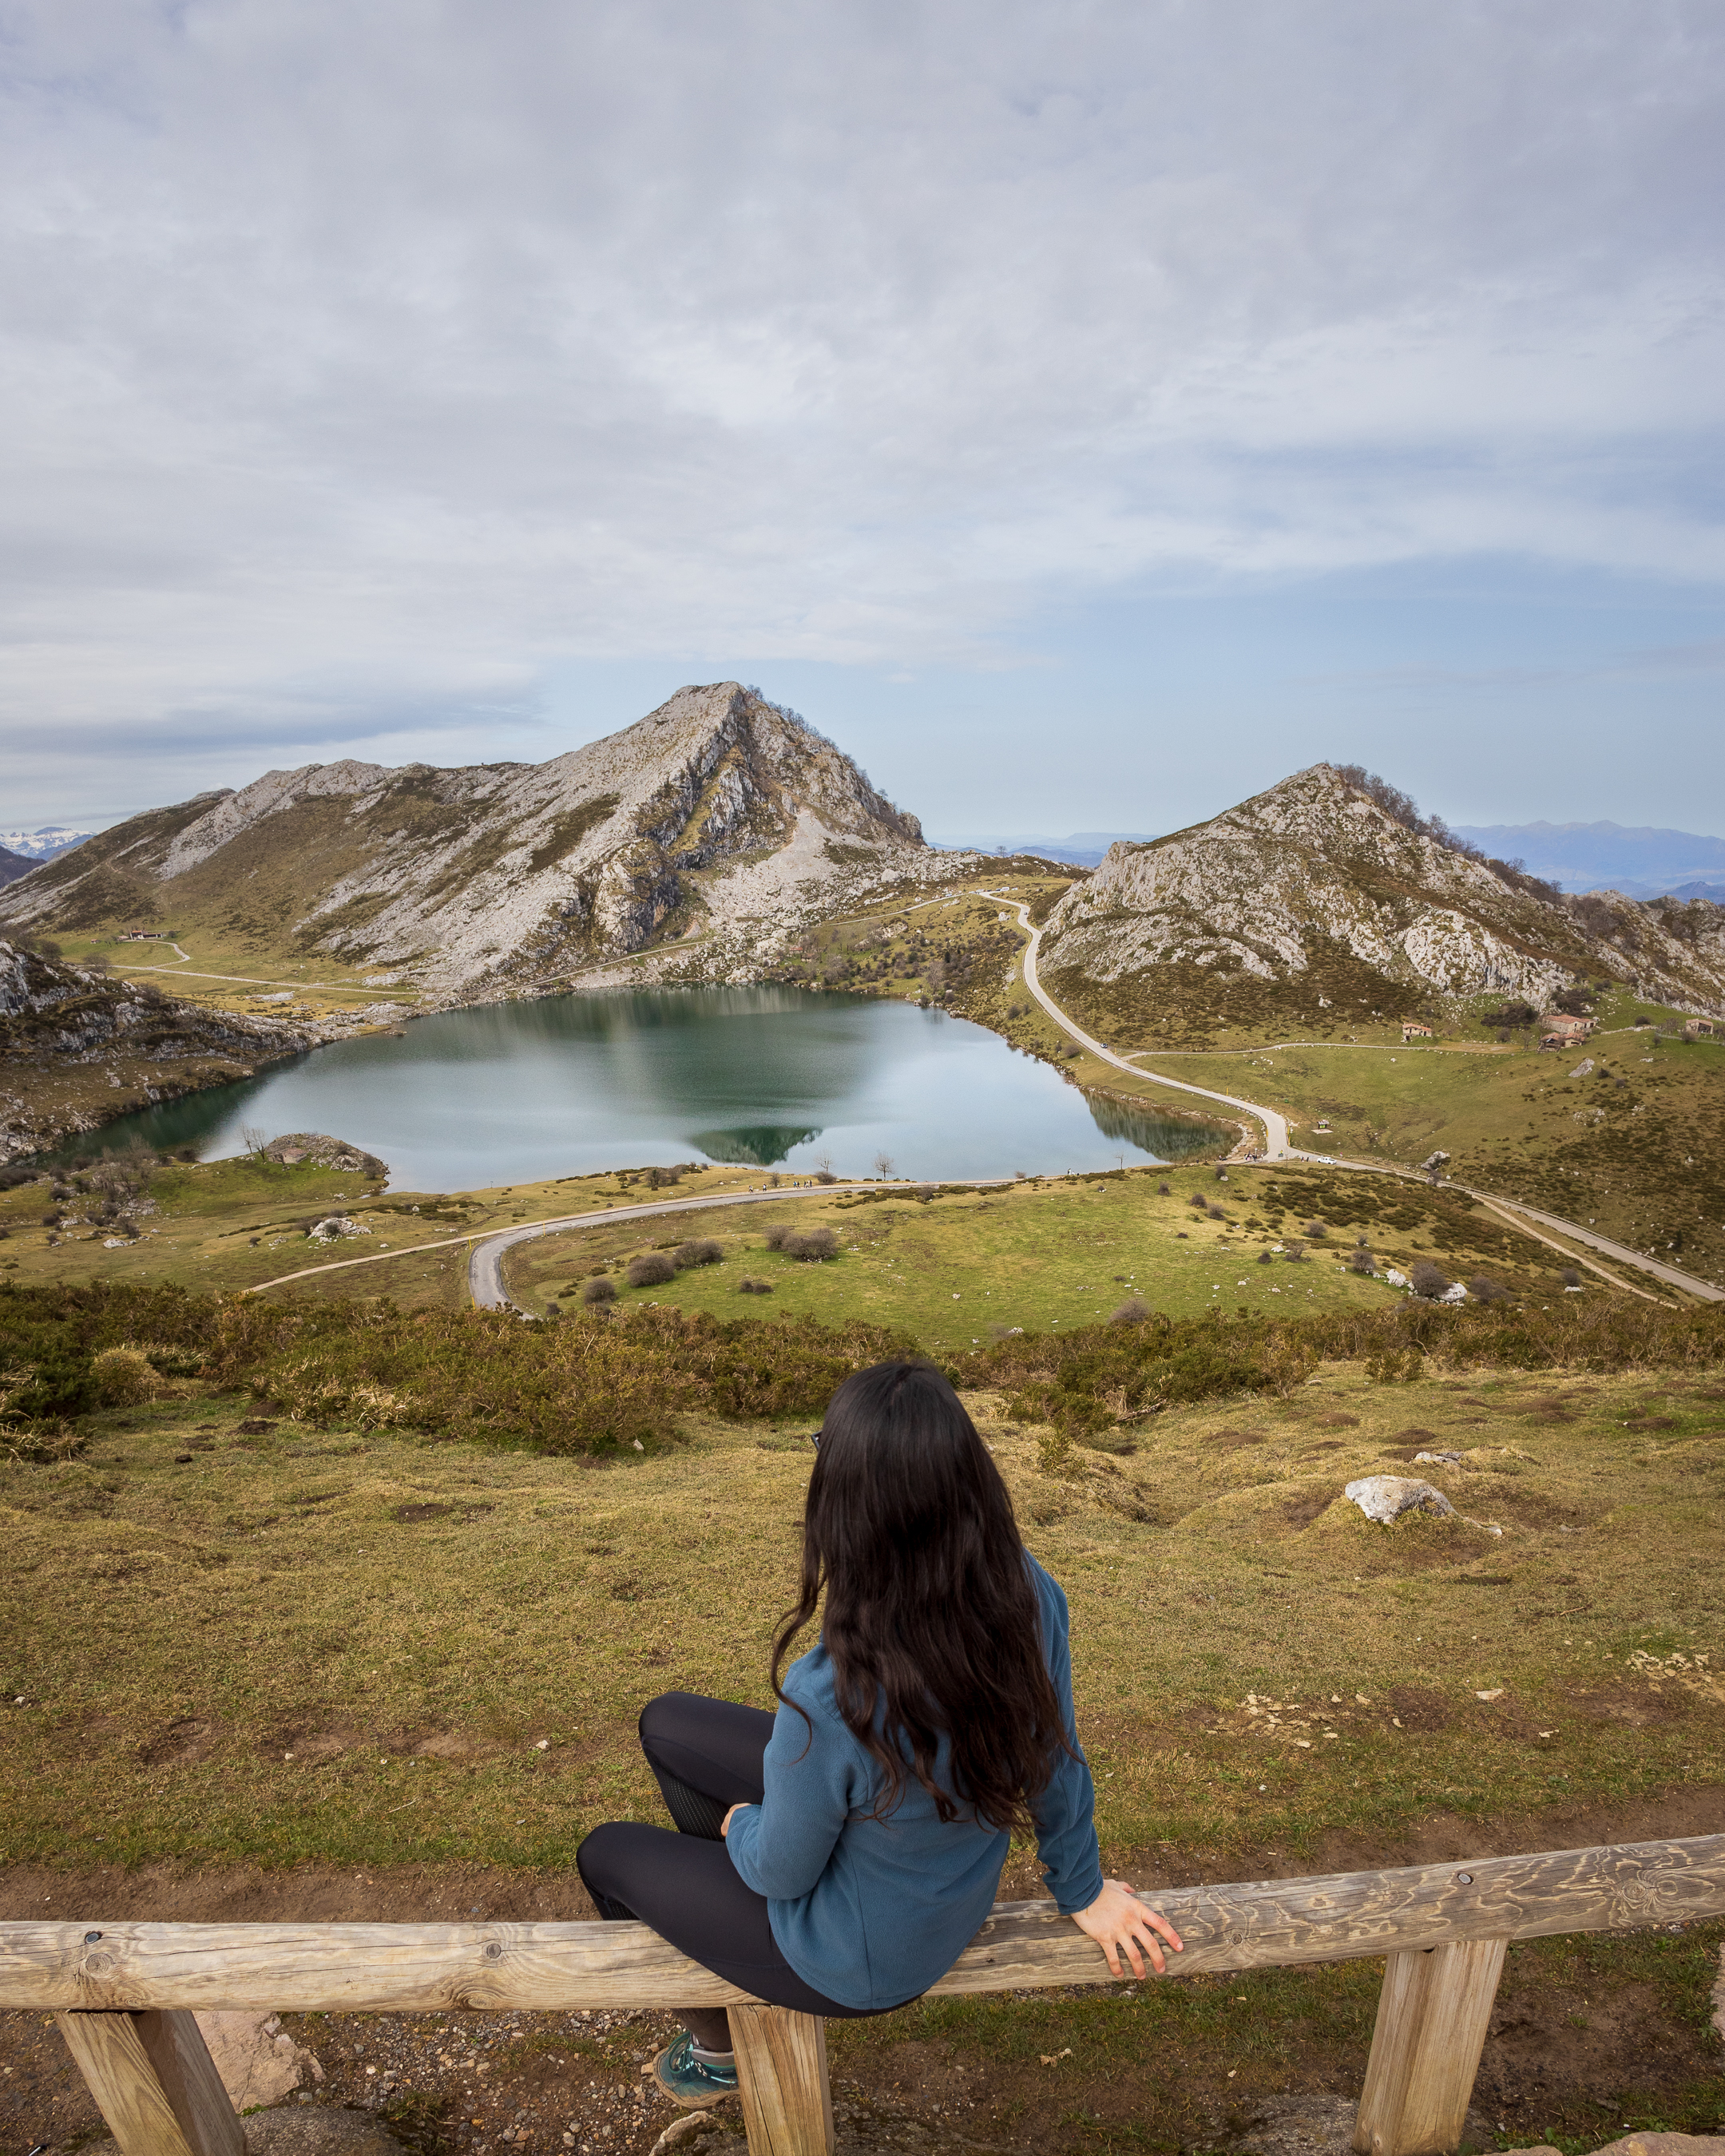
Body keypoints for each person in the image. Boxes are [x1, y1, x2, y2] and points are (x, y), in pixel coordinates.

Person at [576, 1361, 1181, 2109]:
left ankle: (718, 2046)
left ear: (849, 1504)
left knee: (604, 1854)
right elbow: (1055, 1756)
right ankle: (728, 1942)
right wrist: (1081, 1887)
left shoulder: (831, 1690)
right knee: (666, 1723)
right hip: (943, 1891)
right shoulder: (1026, 1590)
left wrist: (743, 1829)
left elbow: (783, 1873)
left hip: (858, 1962)